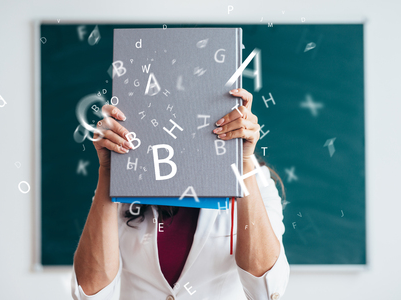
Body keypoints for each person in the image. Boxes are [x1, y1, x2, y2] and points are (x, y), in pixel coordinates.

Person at [71, 88, 290, 300]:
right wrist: (109, 170)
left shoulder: (256, 180)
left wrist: (241, 162)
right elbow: (89, 293)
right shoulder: (127, 176)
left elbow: (266, 292)